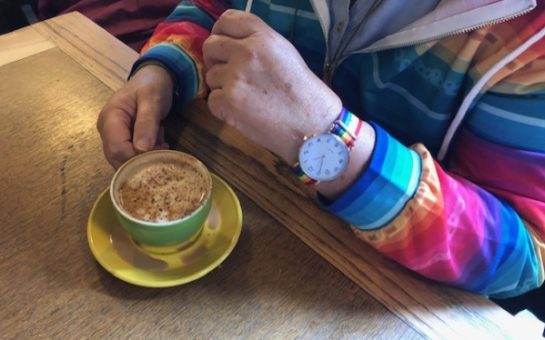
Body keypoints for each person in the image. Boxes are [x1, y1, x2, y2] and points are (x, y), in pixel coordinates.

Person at [96, 0, 545, 320]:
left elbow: (519, 260)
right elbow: (215, 12)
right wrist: (166, 67)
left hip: (367, 305)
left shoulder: (531, 42)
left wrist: (335, 145)